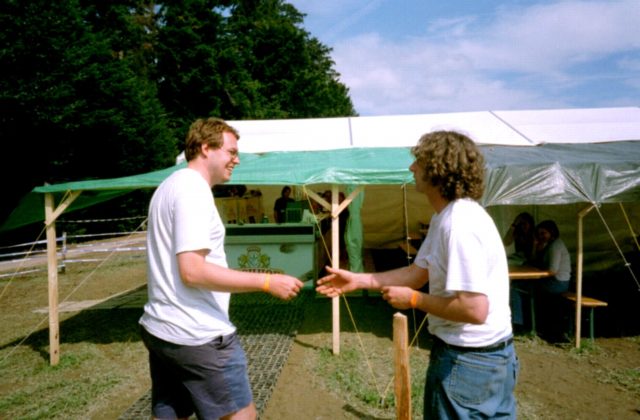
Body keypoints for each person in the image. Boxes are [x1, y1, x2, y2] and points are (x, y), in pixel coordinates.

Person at [317, 130, 518, 419]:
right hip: (486, 360)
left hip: (468, 362)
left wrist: (414, 300)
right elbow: (415, 274)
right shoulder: (447, 217)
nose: (412, 168)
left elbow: (474, 309)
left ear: (438, 170)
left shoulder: (459, 224)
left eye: (419, 162)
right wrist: (358, 280)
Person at [139, 117, 303, 420]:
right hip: (197, 336)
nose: (237, 160)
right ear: (206, 148)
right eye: (231, 152)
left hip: (162, 331)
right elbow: (193, 271)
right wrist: (267, 281)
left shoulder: (168, 186)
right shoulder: (193, 191)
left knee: (170, 413)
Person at [532, 219, 572, 294]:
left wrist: (537, 275)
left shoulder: (555, 246)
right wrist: (536, 246)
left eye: (543, 233)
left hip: (558, 283)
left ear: (552, 232)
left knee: (523, 286)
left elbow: (552, 271)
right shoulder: (551, 244)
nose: (540, 236)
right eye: (539, 234)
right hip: (558, 282)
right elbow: (536, 261)